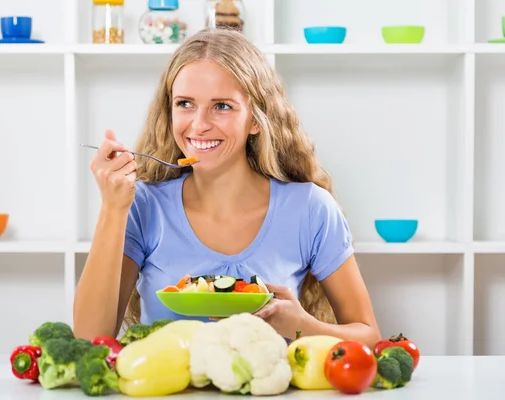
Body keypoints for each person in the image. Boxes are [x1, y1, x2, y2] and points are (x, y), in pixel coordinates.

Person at [74, 28, 381, 349]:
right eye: (185, 104)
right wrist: (113, 208)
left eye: (221, 106)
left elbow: (369, 336)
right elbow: (88, 338)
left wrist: (302, 325)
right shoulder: (143, 205)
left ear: (256, 119)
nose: (199, 124)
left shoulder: (310, 207)